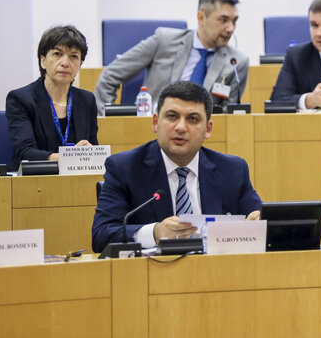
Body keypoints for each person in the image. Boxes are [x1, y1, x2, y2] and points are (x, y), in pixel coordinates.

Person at [91, 81, 262, 252]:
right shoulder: (124, 168)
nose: (181, 127)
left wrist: (259, 224)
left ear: (208, 129)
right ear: (155, 122)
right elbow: (101, 235)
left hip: (217, 273)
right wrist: (155, 232)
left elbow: (264, 223)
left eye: (192, 119)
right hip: (152, 275)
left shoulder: (233, 170)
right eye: (172, 116)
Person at [94, 0, 249, 115]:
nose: (230, 28)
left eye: (234, 21)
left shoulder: (237, 62)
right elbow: (110, 76)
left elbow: (229, 116)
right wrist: (106, 122)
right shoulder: (164, 40)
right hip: (151, 128)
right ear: (201, 17)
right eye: (223, 20)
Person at [6, 25, 98, 171]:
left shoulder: (87, 100)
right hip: (34, 182)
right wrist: (71, 157)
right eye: (57, 54)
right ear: (43, 61)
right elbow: (25, 152)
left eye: (73, 56)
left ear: (80, 65)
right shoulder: (20, 99)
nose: (65, 63)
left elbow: (94, 147)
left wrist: (90, 152)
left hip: (77, 182)